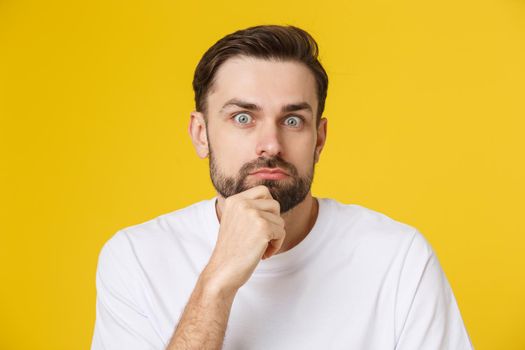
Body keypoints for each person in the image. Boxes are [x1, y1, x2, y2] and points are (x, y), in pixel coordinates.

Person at [91, 25, 473, 350]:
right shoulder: (135, 258)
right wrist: (216, 283)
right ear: (201, 134)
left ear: (319, 139)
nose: (271, 144)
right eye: (243, 117)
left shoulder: (399, 258)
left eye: (292, 121)